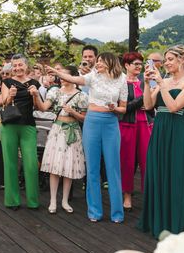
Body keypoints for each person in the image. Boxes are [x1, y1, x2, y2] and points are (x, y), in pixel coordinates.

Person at [47, 52, 128, 223]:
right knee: (92, 168)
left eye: (100, 60)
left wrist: (114, 108)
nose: (97, 63)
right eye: (96, 61)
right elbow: (75, 80)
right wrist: (57, 72)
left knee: (113, 168)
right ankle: (94, 212)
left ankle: (117, 213)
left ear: (110, 62)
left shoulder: (122, 78)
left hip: (110, 123)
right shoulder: (93, 77)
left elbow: (124, 109)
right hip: (92, 122)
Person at [139, 46, 184, 238]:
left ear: (182, 60)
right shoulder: (162, 81)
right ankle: (155, 220)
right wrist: (148, 83)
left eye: (170, 59)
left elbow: (173, 107)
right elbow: (148, 106)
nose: (166, 63)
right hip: (160, 131)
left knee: (175, 175)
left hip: (177, 131)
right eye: (165, 60)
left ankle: (174, 224)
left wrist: (160, 83)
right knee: (157, 174)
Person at [0, 54, 47, 210]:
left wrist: (35, 95)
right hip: (9, 126)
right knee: (11, 163)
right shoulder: (6, 82)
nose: (17, 68)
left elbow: (40, 107)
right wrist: (9, 97)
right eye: (14, 66)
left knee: (31, 164)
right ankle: (12, 200)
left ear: (26, 66)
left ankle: (33, 201)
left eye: (20, 65)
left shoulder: (34, 83)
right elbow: (5, 103)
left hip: (28, 125)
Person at [40, 66, 88, 214]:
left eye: (65, 75)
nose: (61, 77)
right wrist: (36, 95)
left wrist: (73, 112)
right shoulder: (54, 91)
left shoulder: (81, 96)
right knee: (55, 166)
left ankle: (65, 200)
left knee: (69, 167)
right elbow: (43, 107)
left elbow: (85, 118)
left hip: (73, 130)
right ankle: (53, 200)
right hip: (57, 130)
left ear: (73, 77)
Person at [119, 52, 153, 211]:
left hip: (146, 124)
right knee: (127, 161)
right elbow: (124, 109)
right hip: (127, 125)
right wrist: (142, 101)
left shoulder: (146, 82)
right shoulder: (120, 83)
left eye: (141, 64)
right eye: (135, 64)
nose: (139, 67)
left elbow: (154, 102)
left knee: (148, 160)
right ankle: (127, 196)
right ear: (126, 65)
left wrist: (151, 103)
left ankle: (149, 195)